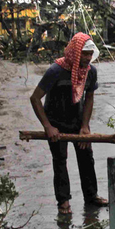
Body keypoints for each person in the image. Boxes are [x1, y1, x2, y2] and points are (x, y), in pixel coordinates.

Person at [30, 32, 108, 215]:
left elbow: (89, 98)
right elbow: (35, 98)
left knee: (86, 157)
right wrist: (48, 127)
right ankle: (63, 201)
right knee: (60, 160)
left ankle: (91, 196)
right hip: (56, 122)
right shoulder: (55, 71)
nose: (88, 58)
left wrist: (85, 126)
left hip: (78, 122)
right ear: (75, 52)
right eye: (84, 54)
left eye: (90, 54)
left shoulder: (91, 72)